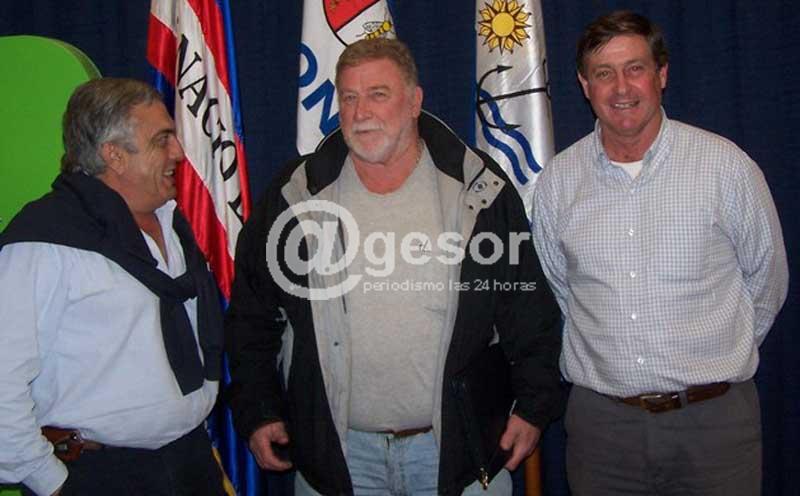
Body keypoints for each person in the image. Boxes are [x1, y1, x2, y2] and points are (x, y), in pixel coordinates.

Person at [225, 38, 562, 495]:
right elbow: (252, 316)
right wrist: (259, 410)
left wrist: (534, 406)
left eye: (378, 94)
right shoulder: (295, 195)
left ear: (414, 101)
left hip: (458, 455)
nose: (361, 112)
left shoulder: (479, 190)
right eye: (349, 97)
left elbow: (529, 309)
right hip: (339, 459)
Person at [531, 10, 789, 496]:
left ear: (662, 74)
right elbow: (559, 290)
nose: (621, 88)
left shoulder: (725, 167)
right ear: (584, 85)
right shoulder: (558, 183)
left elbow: (767, 280)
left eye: (635, 68)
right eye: (603, 73)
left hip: (714, 426)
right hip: (603, 432)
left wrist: (716, 356)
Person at [0, 78, 227, 496]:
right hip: (99, 474)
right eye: (162, 140)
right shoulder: (43, 241)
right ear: (114, 156)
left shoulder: (171, 223)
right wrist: (51, 483)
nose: (178, 152)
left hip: (190, 461)